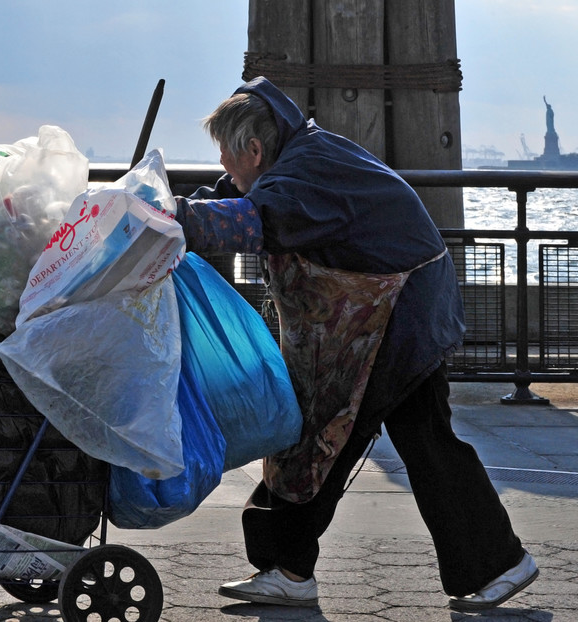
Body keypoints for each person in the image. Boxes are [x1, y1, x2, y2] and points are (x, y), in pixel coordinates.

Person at [172, 76, 539, 612]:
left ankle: (497, 562)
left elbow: (257, 218)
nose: (224, 167)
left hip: (398, 319)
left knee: (380, 439)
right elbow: (231, 196)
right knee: (327, 435)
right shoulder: (291, 159)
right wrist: (171, 206)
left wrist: (175, 220)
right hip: (383, 316)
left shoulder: (307, 173)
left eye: (227, 155)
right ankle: (289, 567)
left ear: (254, 148)